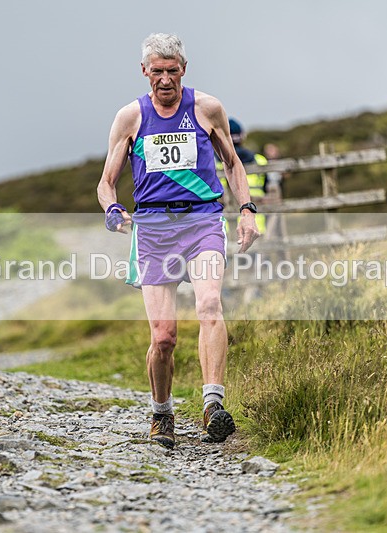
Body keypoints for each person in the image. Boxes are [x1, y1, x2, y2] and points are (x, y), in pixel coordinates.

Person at [96, 33, 259, 449]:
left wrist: (246, 210)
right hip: (153, 229)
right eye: (157, 72)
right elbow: (106, 183)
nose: (165, 80)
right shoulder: (130, 117)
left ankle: (212, 406)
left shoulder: (206, 109)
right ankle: (162, 413)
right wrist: (112, 210)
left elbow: (233, 163)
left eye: (172, 71)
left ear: (183, 70)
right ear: (144, 72)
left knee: (208, 306)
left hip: (202, 219)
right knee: (164, 337)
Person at [217, 119, 268, 234]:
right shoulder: (260, 160)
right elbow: (267, 188)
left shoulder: (215, 163)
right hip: (255, 222)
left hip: (225, 226)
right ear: (242, 136)